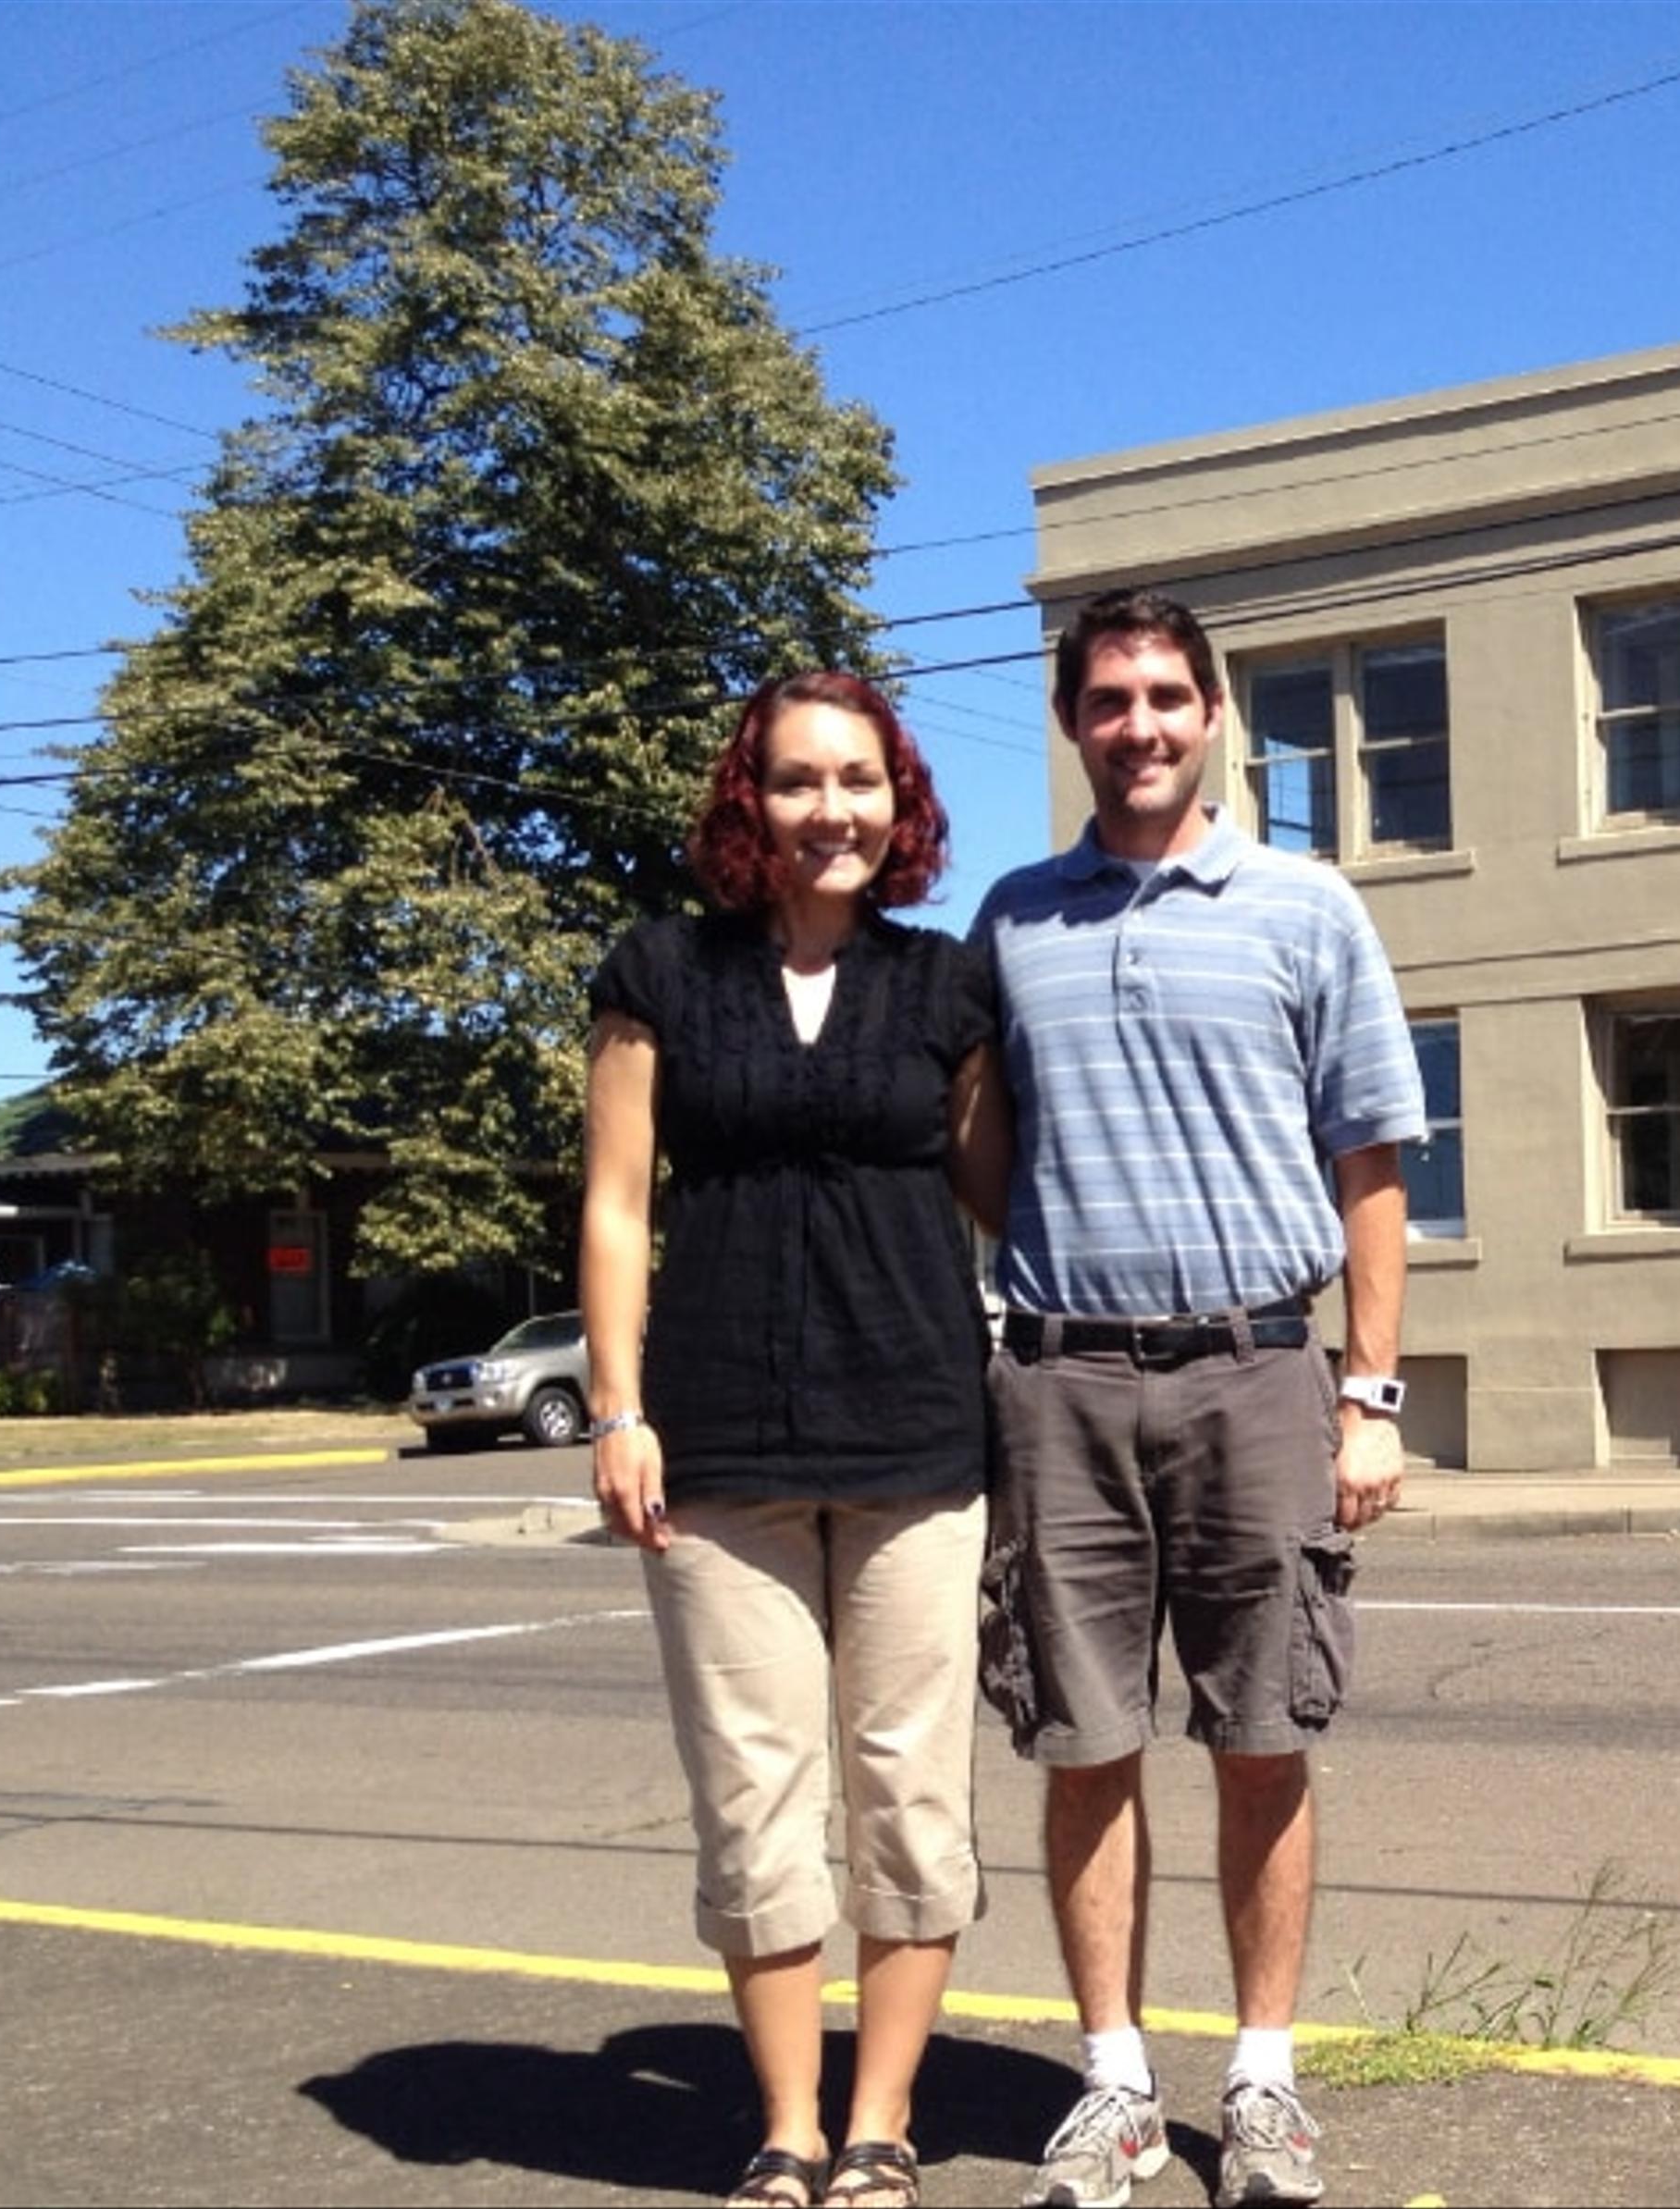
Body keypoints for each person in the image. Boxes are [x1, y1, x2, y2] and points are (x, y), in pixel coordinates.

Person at [957, 588, 1424, 2209]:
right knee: (1081, 1742)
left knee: (1264, 1734)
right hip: (1061, 1380)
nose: (1138, 723)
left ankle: (1267, 2084)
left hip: (1258, 1372)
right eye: (1107, 698)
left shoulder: (1308, 907)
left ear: (1214, 713)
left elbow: (1372, 1171)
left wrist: (1369, 1394)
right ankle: (1115, 2088)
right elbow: (975, 1151)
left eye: (1166, 694)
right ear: (1074, 723)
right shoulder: (1012, 922)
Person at [581, 670, 998, 2209]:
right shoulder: (661, 975)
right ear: (746, 801)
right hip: (719, 1448)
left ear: (902, 805)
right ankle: (787, 2122)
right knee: (753, 1794)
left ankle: (882, 2121)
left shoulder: (947, 986)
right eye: (802, 781)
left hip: (917, 1436)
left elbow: (1005, 1202)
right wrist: (618, 1411)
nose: (834, 809)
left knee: (910, 1789)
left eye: (862, 781)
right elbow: (619, 1206)